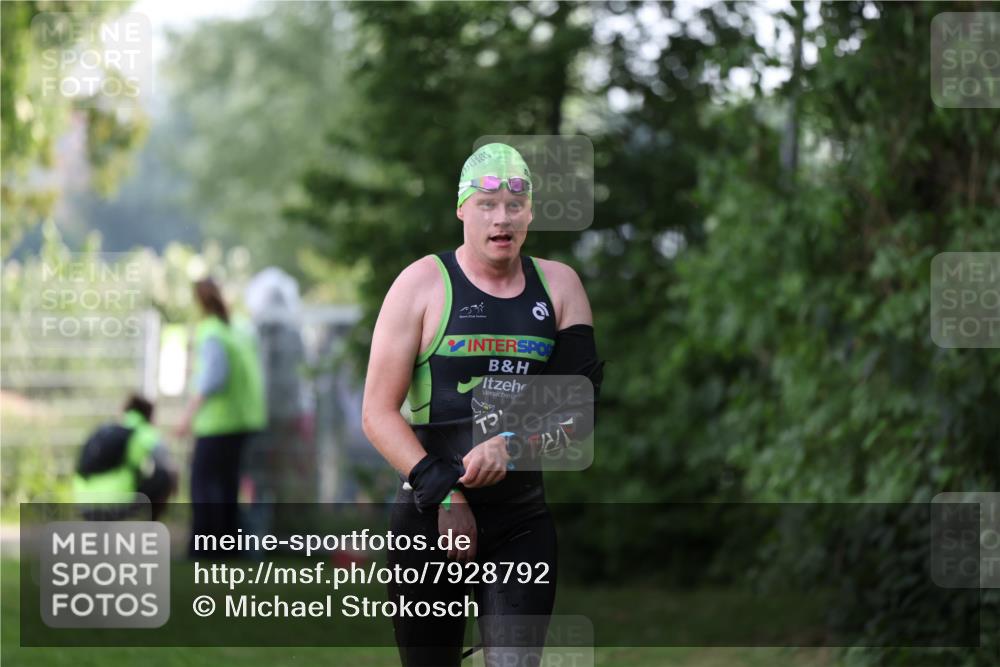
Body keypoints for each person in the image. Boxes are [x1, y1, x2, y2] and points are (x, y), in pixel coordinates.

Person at [362, 143, 602, 666]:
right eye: (487, 203)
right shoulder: (422, 283)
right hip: (430, 518)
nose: (502, 218)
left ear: (531, 213)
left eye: (515, 205)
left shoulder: (559, 286)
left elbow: (578, 408)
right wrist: (448, 497)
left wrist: (511, 444)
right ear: (462, 210)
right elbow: (377, 413)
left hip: (521, 522)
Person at [176, 277, 266, 558]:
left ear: (198, 301)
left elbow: (213, 378)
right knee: (228, 486)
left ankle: (205, 549)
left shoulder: (211, 331)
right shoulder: (240, 327)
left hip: (217, 422)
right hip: (245, 420)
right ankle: (229, 546)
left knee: (203, 485)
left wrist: (187, 416)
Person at [74, 394, 177, 521]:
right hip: (113, 504)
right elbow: (162, 461)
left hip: (84, 502)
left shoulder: (106, 429)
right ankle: (151, 526)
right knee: (164, 476)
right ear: (150, 415)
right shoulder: (143, 432)